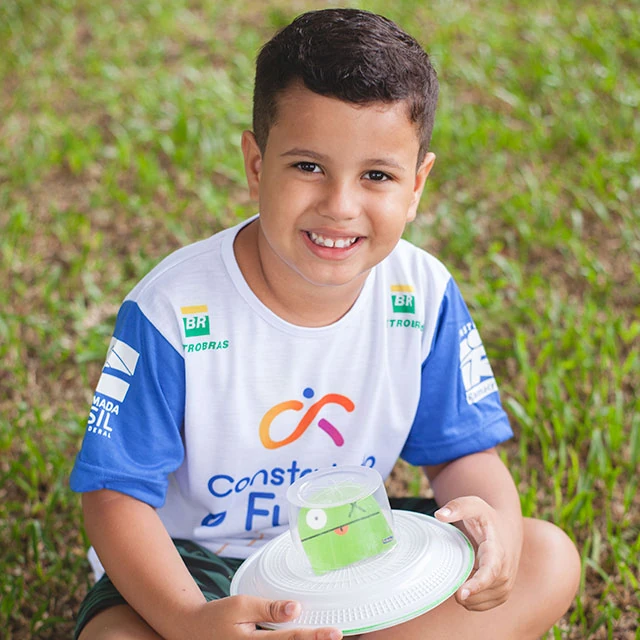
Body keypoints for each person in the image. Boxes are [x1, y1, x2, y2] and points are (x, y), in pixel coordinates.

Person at [70, 8, 580, 640]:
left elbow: (462, 454)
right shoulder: (173, 310)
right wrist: (189, 619)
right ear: (257, 164)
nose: (340, 206)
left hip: (355, 549)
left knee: (546, 555)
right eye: (308, 166)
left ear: (417, 184)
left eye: (377, 176)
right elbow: (113, 496)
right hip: (198, 565)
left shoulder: (420, 293)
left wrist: (495, 534)